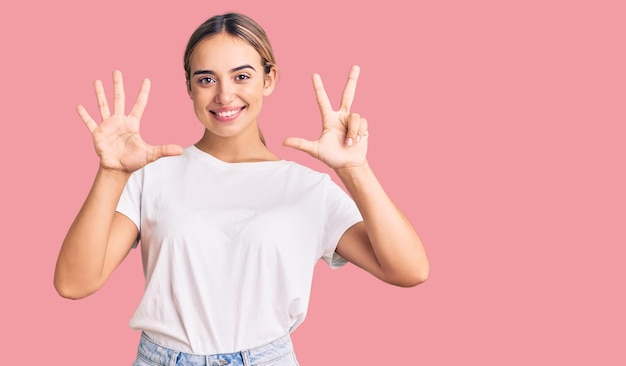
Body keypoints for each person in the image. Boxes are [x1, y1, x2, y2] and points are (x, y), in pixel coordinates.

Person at [54, 12, 429, 366]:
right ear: (189, 87)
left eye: (242, 76)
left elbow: (409, 270)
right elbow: (74, 283)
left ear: (269, 79)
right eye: (206, 79)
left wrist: (354, 169)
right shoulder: (153, 176)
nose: (224, 95)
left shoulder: (308, 188)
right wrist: (111, 172)